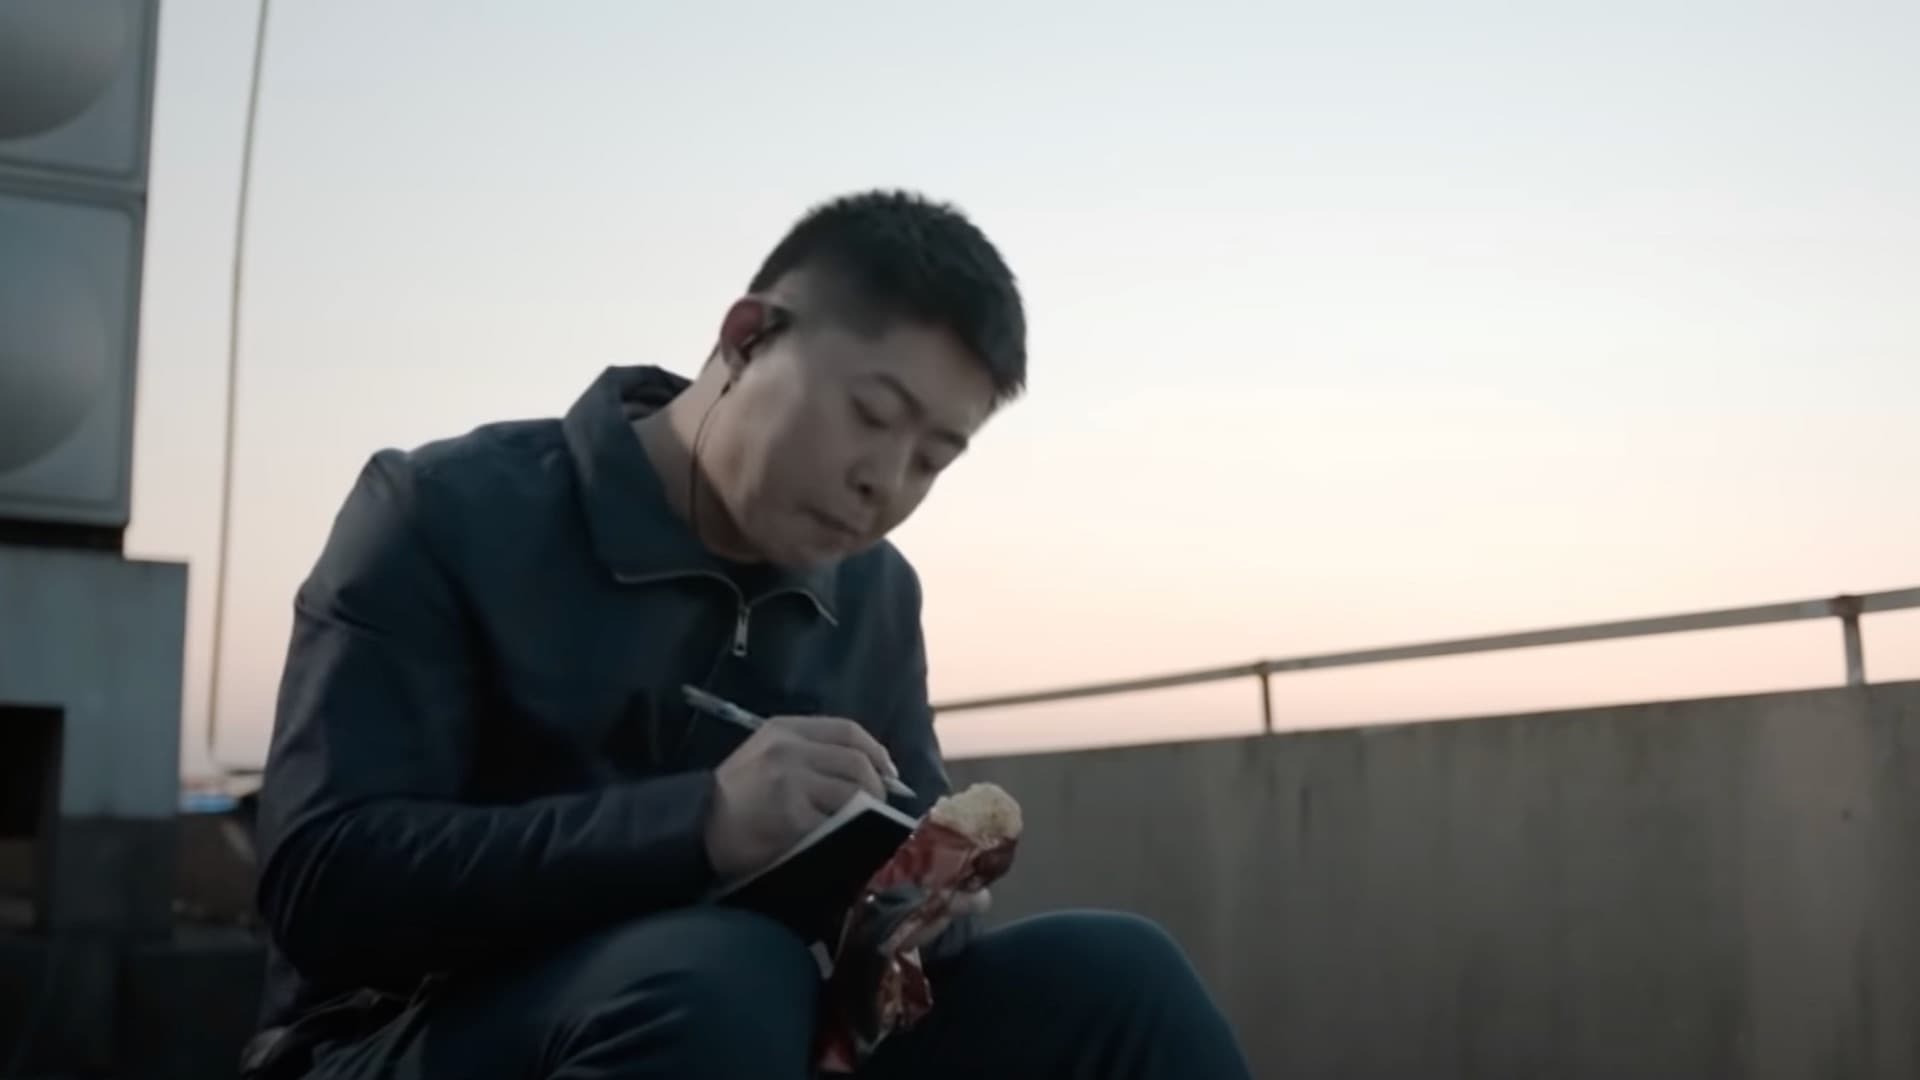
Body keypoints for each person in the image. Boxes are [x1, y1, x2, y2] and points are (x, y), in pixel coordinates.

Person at [244, 190, 1253, 1079]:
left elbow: (885, 907)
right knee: (720, 975)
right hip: (405, 1034)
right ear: (746, 338)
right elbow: (322, 884)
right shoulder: (445, 511)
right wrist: (701, 824)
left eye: (933, 459)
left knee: (1119, 977)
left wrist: (910, 910)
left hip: (759, 1028)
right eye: (871, 415)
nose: (885, 482)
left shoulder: (876, 595)